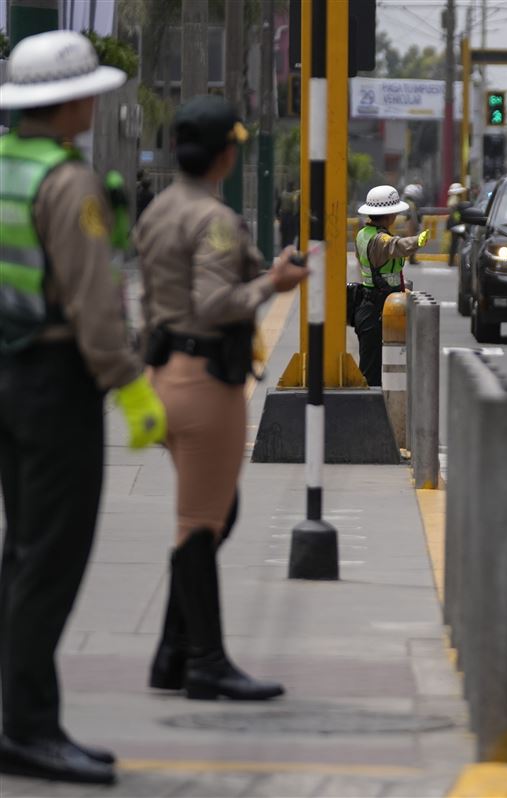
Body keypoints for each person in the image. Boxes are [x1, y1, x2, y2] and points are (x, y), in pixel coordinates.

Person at [0, 30, 167, 785]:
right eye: (89, 94)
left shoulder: (5, 169)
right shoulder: (68, 183)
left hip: (7, 372)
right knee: (52, 560)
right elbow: (97, 305)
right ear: (66, 101)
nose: (97, 106)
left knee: (21, 553)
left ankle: (20, 714)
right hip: (57, 383)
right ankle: (28, 729)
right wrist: (130, 388)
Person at [134, 95, 309, 704]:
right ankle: (204, 662)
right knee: (201, 524)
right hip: (206, 382)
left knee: (213, 517)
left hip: (163, 375)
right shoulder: (212, 218)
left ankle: (171, 652)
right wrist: (274, 282)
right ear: (227, 154)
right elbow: (214, 305)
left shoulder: (158, 210)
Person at [352, 185, 429, 386]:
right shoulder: (380, 240)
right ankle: (371, 414)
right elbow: (397, 246)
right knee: (373, 375)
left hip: (372, 306)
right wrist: (419, 240)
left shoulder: (363, 234)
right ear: (389, 215)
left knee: (379, 367)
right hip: (377, 309)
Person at [445, 182, 469, 269]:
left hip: (454, 223)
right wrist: (460, 221)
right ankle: (452, 261)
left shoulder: (453, 199)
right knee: (460, 241)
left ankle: (451, 261)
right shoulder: (455, 200)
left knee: (454, 242)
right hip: (456, 224)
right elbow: (456, 214)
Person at [400, 183, 423, 265]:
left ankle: (411, 258)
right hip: (411, 223)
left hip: (408, 222)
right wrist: (417, 225)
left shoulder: (406, 202)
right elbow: (413, 215)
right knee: (413, 242)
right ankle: (412, 259)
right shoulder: (411, 204)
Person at [276, 180, 299, 248]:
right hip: (291, 218)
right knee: (291, 238)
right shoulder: (295, 195)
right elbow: (296, 209)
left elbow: (277, 208)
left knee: (283, 238)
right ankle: (289, 253)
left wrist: (278, 217)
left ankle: (283, 252)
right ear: (293, 187)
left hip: (283, 218)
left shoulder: (282, 194)